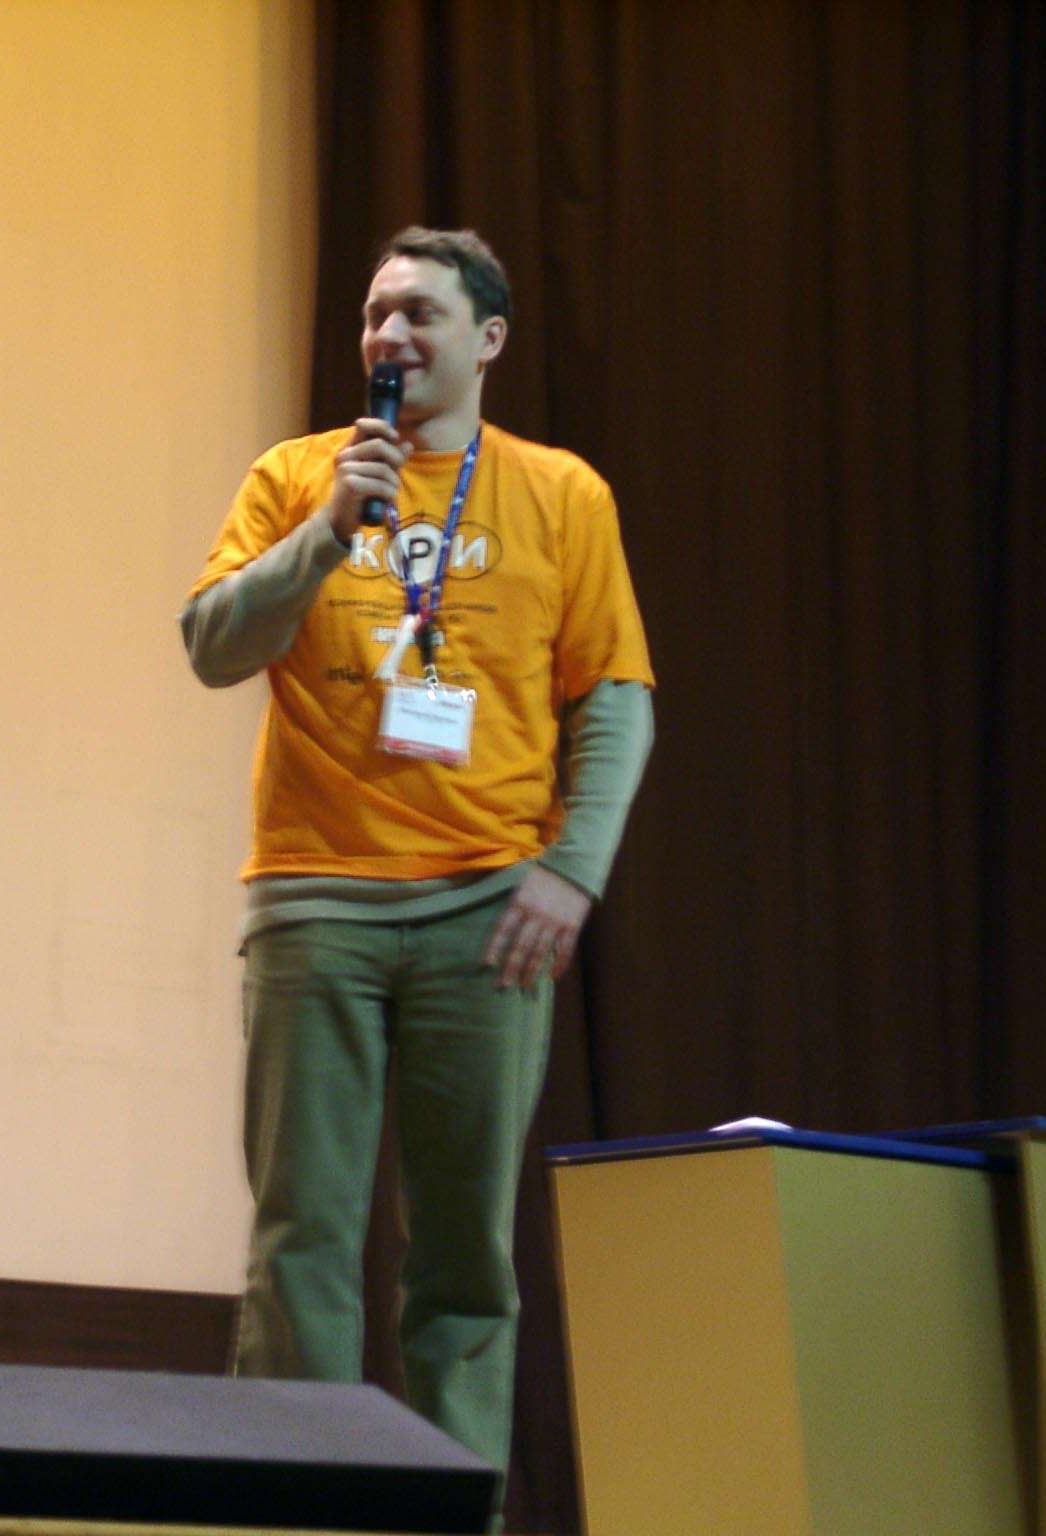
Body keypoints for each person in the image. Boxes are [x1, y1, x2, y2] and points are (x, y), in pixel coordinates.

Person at [180, 227, 654, 1489]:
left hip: (486, 913)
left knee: (462, 1262)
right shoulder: (295, 476)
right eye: (374, 313)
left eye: (419, 314)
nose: (388, 335)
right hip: (313, 906)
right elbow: (213, 645)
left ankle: (449, 1512)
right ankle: (294, 1509)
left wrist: (572, 870)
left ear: (486, 340)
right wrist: (328, 530)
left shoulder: (561, 493)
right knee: (300, 1244)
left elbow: (613, 697)